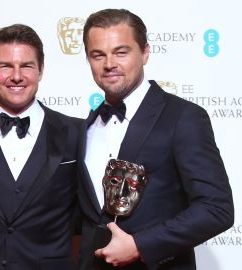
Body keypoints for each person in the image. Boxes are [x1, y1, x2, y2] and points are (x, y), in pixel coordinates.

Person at [76, 8, 234, 270]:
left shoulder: (183, 117)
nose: (109, 64)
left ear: (145, 52)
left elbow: (217, 209)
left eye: (121, 52)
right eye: (98, 55)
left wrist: (140, 245)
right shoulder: (86, 127)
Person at [0, 24, 85, 269]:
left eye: (27, 66)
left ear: (41, 70)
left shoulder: (77, 132)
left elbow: (90, 207)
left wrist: (54, 232)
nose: (17, 76)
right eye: (6, 66)